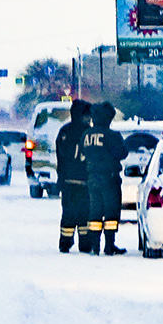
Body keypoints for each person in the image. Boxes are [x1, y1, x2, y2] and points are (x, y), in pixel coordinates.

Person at [83, 102, 129, 255]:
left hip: (91, 178)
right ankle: (109, 245)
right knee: (111, 212)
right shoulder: (112, 136)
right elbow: (122, 153)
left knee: (94, 210)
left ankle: (95, 245)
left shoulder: (86, 135)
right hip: (109, 178)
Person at [55, 100, 92, 252]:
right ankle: (85, 244)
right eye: (88, 116)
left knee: (68, 213)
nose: (89, 118)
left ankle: (65, 242)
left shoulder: (64, 131)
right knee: (84, 213)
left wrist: (61, 177)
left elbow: (60, 157)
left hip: (67, 181)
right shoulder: (89, 133)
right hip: (85, 181)